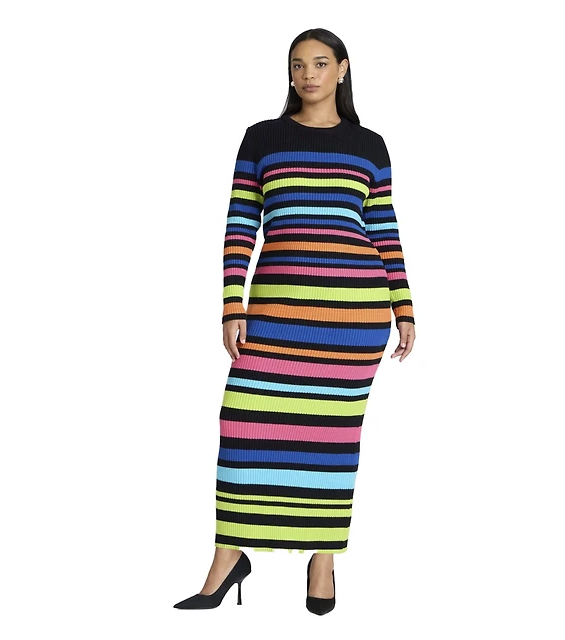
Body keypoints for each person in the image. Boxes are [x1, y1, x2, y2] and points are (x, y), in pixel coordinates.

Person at [174, 27, 416, 615]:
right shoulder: (263, 137)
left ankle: (323, 557)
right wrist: (232, 305)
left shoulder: (369, 145)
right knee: (242, 424)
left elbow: (384, 229)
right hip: (276, 312)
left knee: (332, 438)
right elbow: (240, 226)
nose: (308, 74)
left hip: (352, 316)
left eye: (320, 63)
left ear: (342, 69)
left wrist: (404, 306)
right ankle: (228, 557)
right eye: (298, 64)